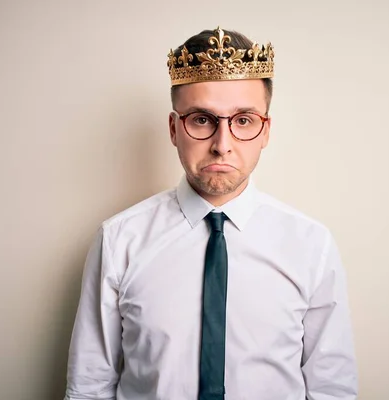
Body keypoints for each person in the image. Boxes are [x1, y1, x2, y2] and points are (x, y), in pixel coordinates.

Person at [64, 26, 358, 400]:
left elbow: (331, 389)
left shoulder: (311, 245)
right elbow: (89, 386)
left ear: (266, 131)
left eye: (244, 120)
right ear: (174, 128)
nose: (223, 145)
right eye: (202, 119)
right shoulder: (120, 239)